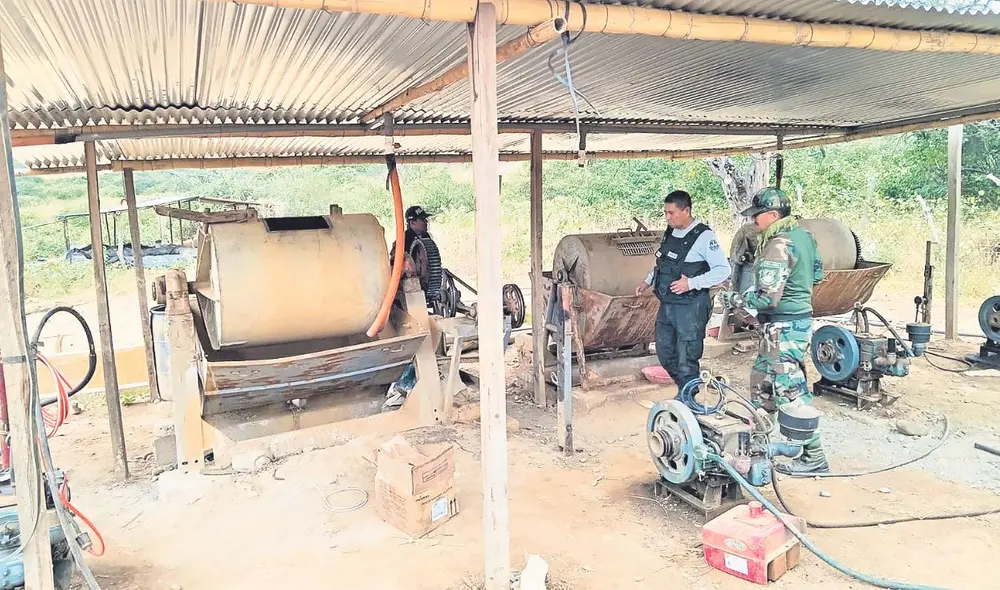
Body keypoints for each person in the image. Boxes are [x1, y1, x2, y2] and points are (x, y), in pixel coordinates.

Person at [719, 187, 828, 474]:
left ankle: (814, 455)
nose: (754, 221)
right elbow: (818, 275)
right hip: (794, 322)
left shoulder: (778, 244)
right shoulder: (804, 237)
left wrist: (735, 300)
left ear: (773, 215)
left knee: (789, 389)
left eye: (758, 215)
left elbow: (767, 298)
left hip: (783, 327)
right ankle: (758, 444)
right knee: (762, 383)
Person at [636, 190, 732, 391]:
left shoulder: (704, 236)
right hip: (668, 304)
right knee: (664, 351)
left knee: (687, 356)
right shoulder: (671, 232)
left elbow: (723, 270)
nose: (667, 217)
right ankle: (687, 389)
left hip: (691, 305)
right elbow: (664, 263)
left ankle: (688, 397)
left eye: (671, 213)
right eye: (665, 212)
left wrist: (691, 283)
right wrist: (648, 281)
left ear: (686, 210)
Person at [390, 205, 443, 303]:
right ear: (412, 222)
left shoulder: (426, 236)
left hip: (425, 280)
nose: (426, 222)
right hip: (409, 283)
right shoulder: (402, 240)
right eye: (422, 219)